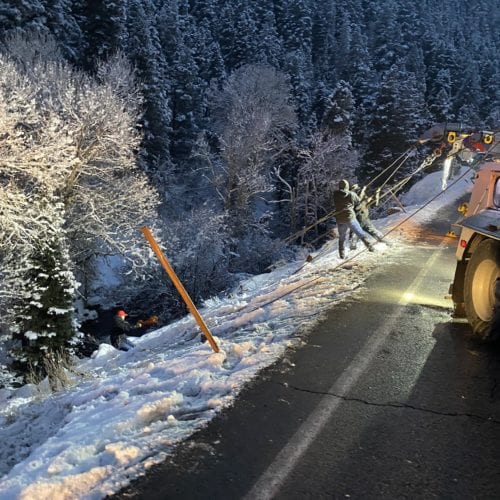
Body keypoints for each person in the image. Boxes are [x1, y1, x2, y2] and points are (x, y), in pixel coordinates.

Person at [332, 179, 374, 259]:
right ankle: (370, 247)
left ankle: (342, 254)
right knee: (360, 232)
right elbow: (358, 202)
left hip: (339, 219)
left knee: (342, 237)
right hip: (350, 217)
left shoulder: (335, 194)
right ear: (347, 186)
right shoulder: (352, 194)